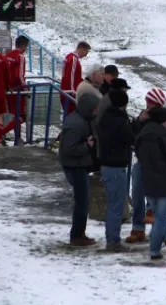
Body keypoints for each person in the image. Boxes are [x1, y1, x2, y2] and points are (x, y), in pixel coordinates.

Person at [126, 88, 166, 242]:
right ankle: (138, 228)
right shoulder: (147, 116)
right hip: (142, 161)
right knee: (137, 193)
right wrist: (138, 121)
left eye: (149, 104)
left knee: (157, 202)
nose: (147, 106)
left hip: (160, 166)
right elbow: (134, 137)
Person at [136, 107, 166, 260]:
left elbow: (138, 154)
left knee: (157, 216)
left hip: (148, 181)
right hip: (165, 182)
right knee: (161, 219)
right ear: (162, 121)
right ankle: (154, 250)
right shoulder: (165, 136)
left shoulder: (142, 135)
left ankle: (161, 240)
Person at [58, 93, 101, 247]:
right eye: (95, 108)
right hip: (75, 166)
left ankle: (79, 233)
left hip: (79, 164)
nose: (97, 111)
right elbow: (69, 149)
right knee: (82, 202)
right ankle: (77, 235)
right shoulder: (76, 124)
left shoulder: (82, 119)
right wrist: (87, 146)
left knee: (83, 201)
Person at [98, 90, 135, 252]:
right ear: (123, 104)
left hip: (107, 165)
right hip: (116, 167)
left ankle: (112, 238)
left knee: (114, 204)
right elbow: (130, 138)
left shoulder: (105, 117)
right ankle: (113, 241)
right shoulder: (119, 121)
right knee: (116, 206)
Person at [3, 35, 30, 144]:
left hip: (9, 90)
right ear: (23, 46)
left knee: (16, 115)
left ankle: (17, 138)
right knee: (22, 116)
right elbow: (20, 76)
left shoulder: (7, 55)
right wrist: (26, 89)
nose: (26, 49)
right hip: (18, 90)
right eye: (26, 46)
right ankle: (2, 133)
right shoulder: (20, 56)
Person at [61, 42, 91, 115]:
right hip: (69, 93)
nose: (86, 55)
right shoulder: (73, 59)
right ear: (81, 49)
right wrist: (73, 93)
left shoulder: (69, 57)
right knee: (71, 115)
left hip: (66, 91)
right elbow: (70, 77)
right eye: (86, 52)